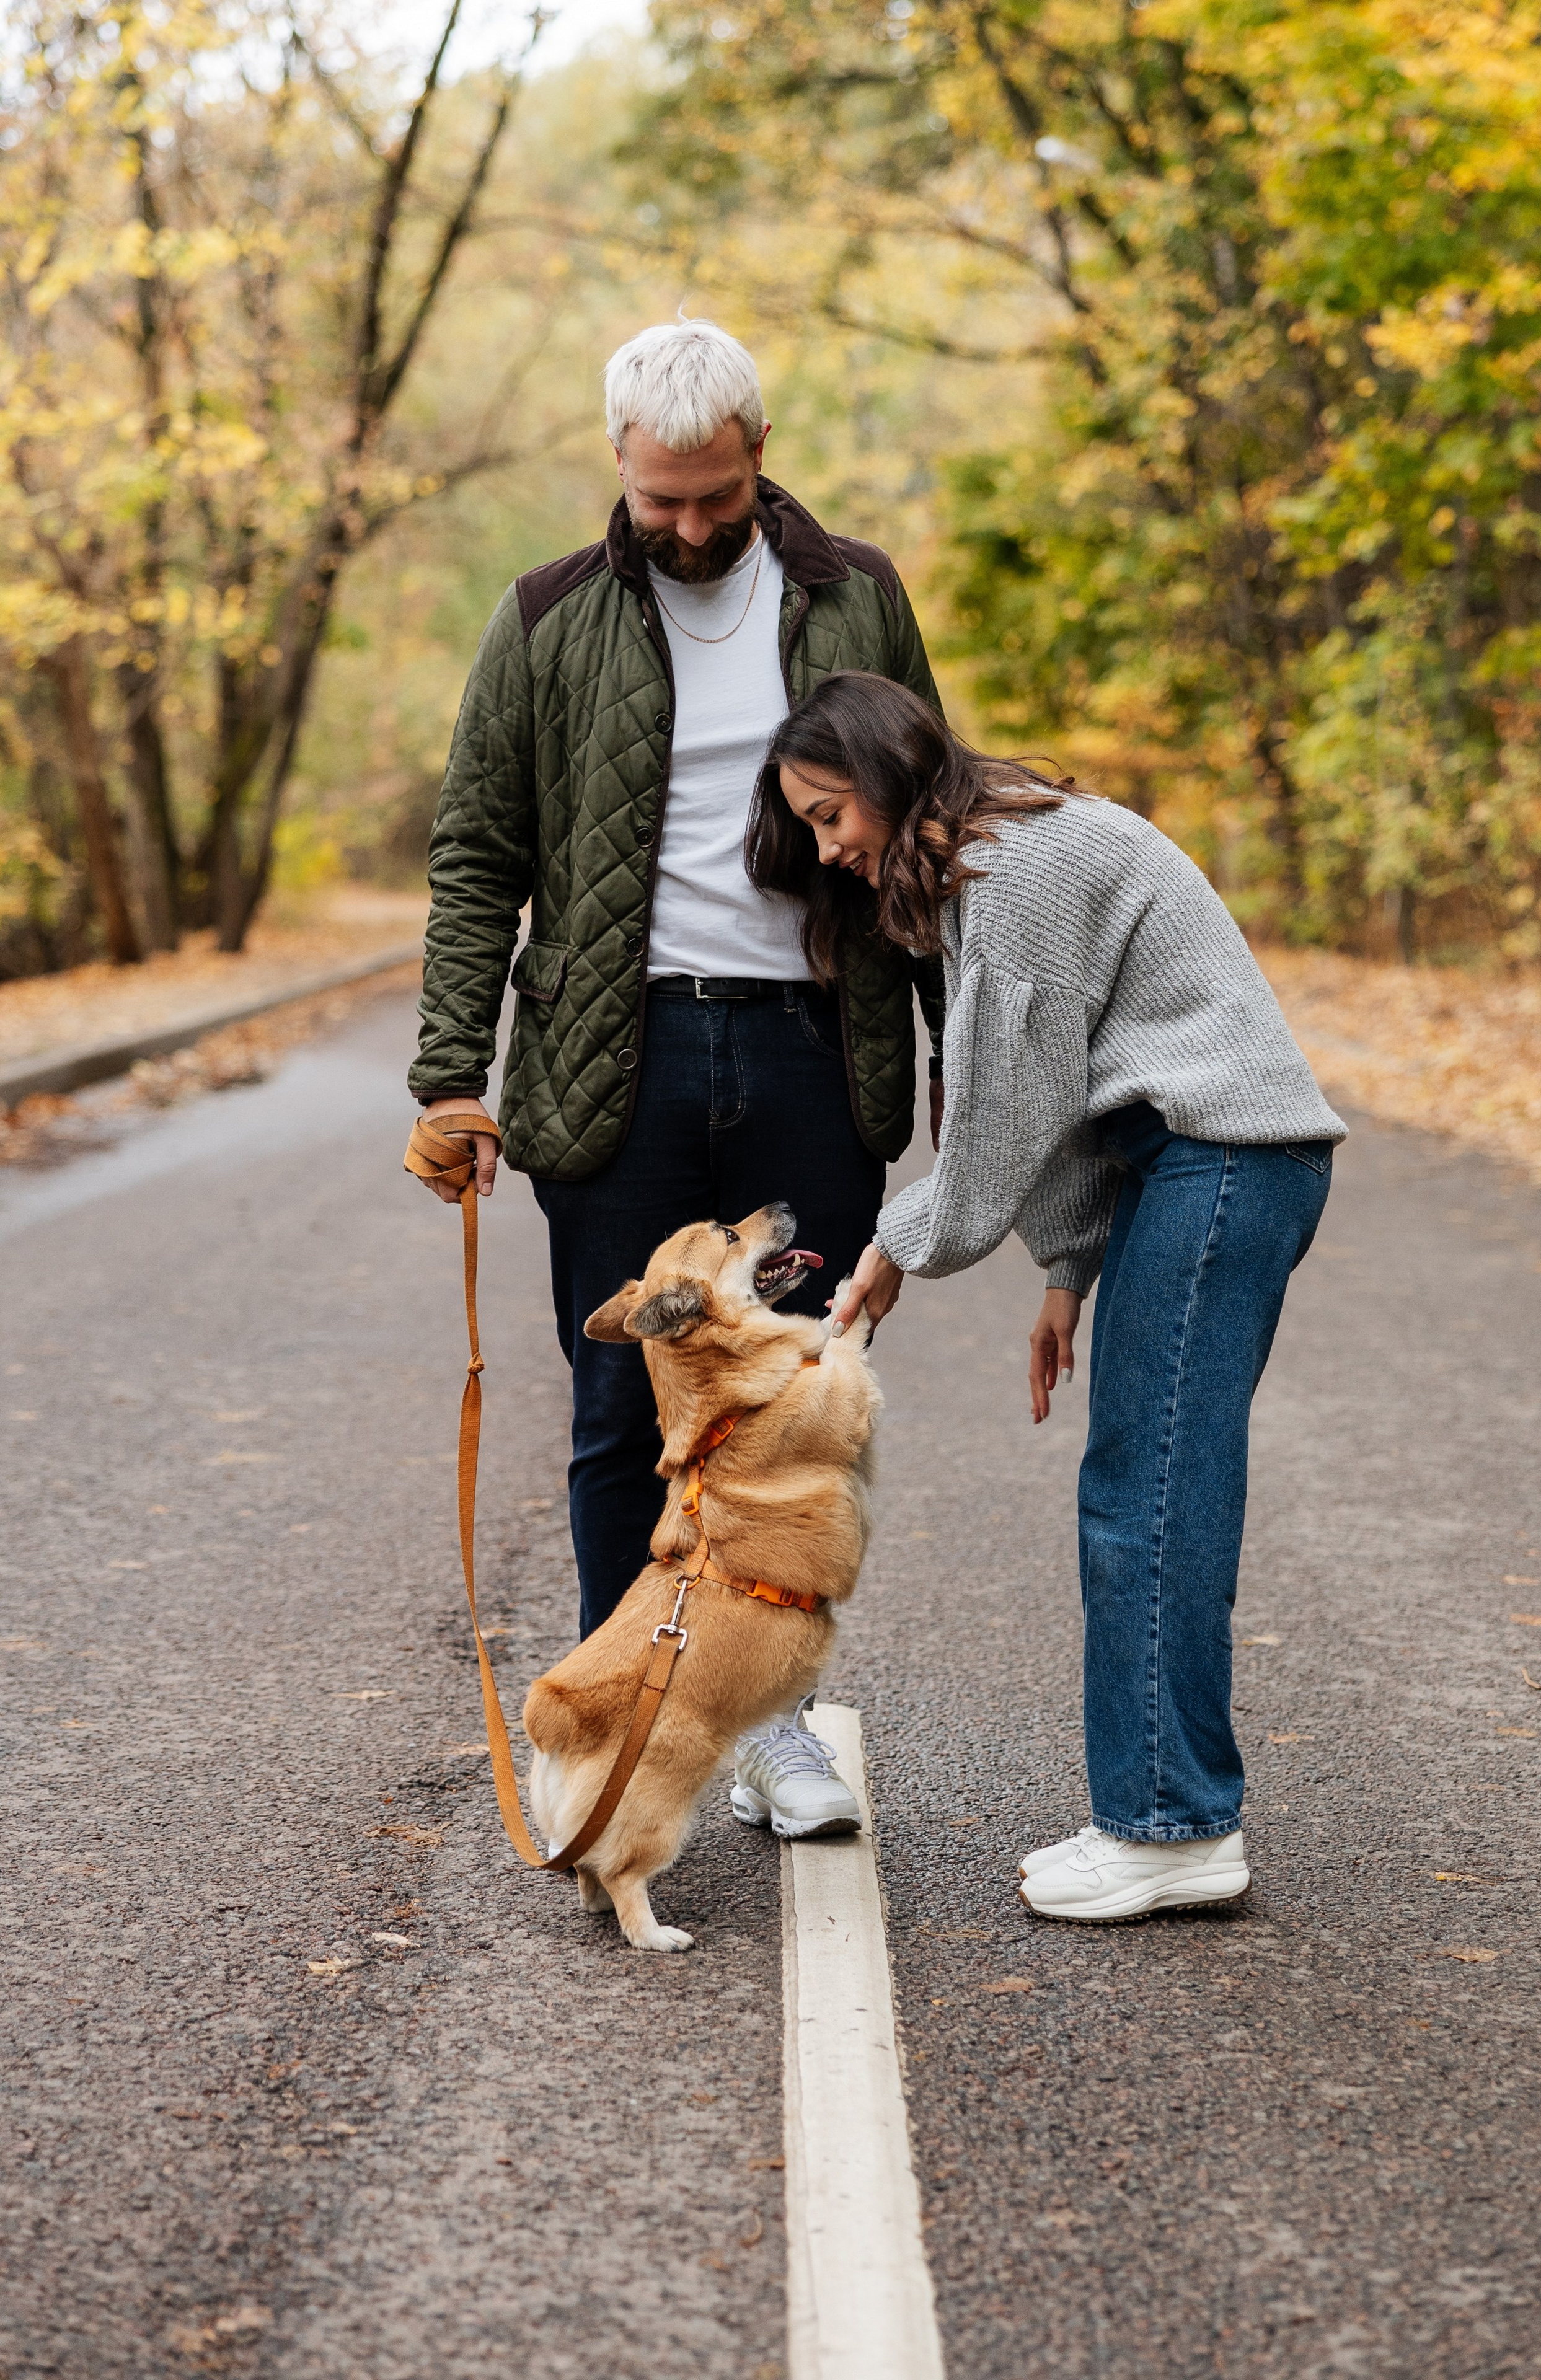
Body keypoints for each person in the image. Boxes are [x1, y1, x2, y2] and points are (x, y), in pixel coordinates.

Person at [408, 320, 944, 1841]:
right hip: (613, 1061)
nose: (693, 527)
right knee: (614, 1411)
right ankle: (630, 1714)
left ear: (758, 453)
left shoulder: (856, 595)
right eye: (662, 500)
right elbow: (477, 853)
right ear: (618, 465)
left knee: (795, 1410)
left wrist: (960, 1051)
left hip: (811, 1049)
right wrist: (449, 1076)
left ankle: (765, 1725)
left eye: (717, 496)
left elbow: (924, 825)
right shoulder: (546, 615)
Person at [746, 671, 1346, 1921]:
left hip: (1222, 1164)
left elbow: (1002, 1119)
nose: (830, 848)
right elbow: (1068, 1096)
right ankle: (1167, 1814)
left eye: (828, 814)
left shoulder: (1013, 870)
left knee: (1151, 1493)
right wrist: (1068, 1270)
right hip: (1197, 1167)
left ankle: (1172, 1828)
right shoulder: (999, 854)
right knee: (1145, 1484)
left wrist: (896, 1244)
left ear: (884, 770)